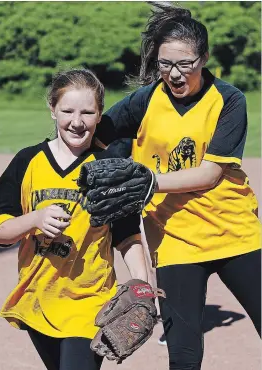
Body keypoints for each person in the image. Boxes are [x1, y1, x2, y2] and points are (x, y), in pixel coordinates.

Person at [95, 3, 261, 369]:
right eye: (165, 63)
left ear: (203, 58)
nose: (174, 73)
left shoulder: (229, 100)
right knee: (183, 353)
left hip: (234, 233)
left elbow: (209, 174)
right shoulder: (146, 98)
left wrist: (146, 182)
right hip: (174, 241)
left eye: (185, 63)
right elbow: (98, 134)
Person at [0, 68, 148, 370]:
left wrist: (143, 287)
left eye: (88, 112)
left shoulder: (108, 168)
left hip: (90, 300)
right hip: (39, 298)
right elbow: (0, 232)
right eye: (67, 111)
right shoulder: (27, 161)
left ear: (99, 115)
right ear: (52, 109)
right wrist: (34, 219)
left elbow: (128, 235)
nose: (77, 122)